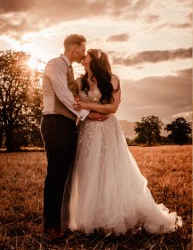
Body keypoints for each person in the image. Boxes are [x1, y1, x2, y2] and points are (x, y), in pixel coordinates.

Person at [62, 48, 182, 234]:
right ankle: (91, 218)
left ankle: (112, 216)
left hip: (108, 129)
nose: (83, 56)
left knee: (110, 168)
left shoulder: (112, 80)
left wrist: (86, 105)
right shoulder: (79, 82)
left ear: (95, 61)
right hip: (87, 130)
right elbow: (76, 107)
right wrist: (89, 113)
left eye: (87, 54)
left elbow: (113, 107)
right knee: (89, 170)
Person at [40, 34, 106, 241]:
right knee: (56, 173)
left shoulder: (68, 69)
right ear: (74, 48)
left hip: (68, 124)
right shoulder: (55, 64)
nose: (84, 53)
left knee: (66, 174)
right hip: (55, 122)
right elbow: (62, 94)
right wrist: (89, 114)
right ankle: (51, 226)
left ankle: (62, 219)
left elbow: (72, 94)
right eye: (83, 49)